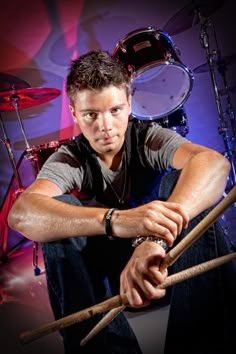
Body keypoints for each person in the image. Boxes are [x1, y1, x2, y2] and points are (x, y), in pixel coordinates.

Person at [8, 50, 236, 354]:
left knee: (181, 184)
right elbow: (22, 214)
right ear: (75, 113)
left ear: (129, 105)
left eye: (115, 110)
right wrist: (115, 220)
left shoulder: (147, 138)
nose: (106, 126)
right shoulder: (71, 158)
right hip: (109, 289)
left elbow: (214, 164)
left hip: (165, 268)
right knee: (60, 218)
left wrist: (153, 237)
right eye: (91, 115)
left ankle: (208, 339)